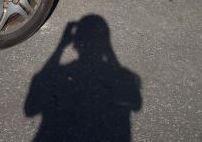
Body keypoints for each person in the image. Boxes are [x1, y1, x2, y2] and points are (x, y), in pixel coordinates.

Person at [24, 14, 142, 142]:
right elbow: (133, 101)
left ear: (74, 42)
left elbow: (30, 108)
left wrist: (61, 46)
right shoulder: (122, 76)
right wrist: (108, 48)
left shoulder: (61, 73)